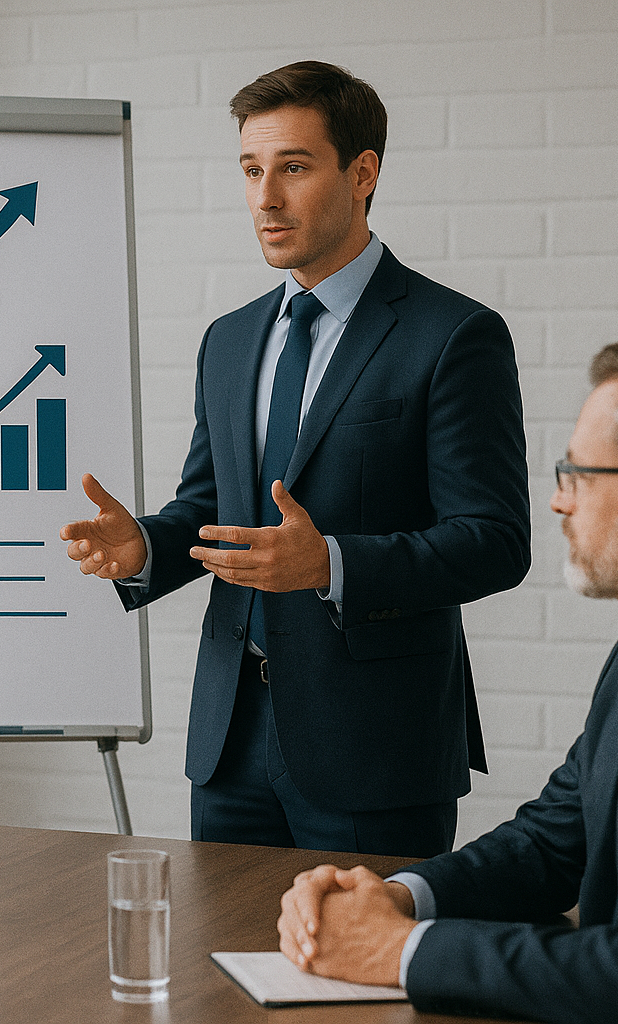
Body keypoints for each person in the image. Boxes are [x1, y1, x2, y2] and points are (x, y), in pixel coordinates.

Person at [277, 333, 618, 1023]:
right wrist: (399, 897)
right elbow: (552, 842)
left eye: (579, 474)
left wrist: (402, 952)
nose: (559, 503)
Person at [61, 61, 529, 855]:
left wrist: (330, 563)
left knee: (362, 978)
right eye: (251, 170)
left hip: (375, 749)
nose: (265, 198)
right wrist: (147, 546)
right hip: (228, 742)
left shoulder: (452, 336)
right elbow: (210, 512)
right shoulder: (231, 339)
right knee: (215, 979)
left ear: (363, 173)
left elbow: (494, 541)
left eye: (294, 168)